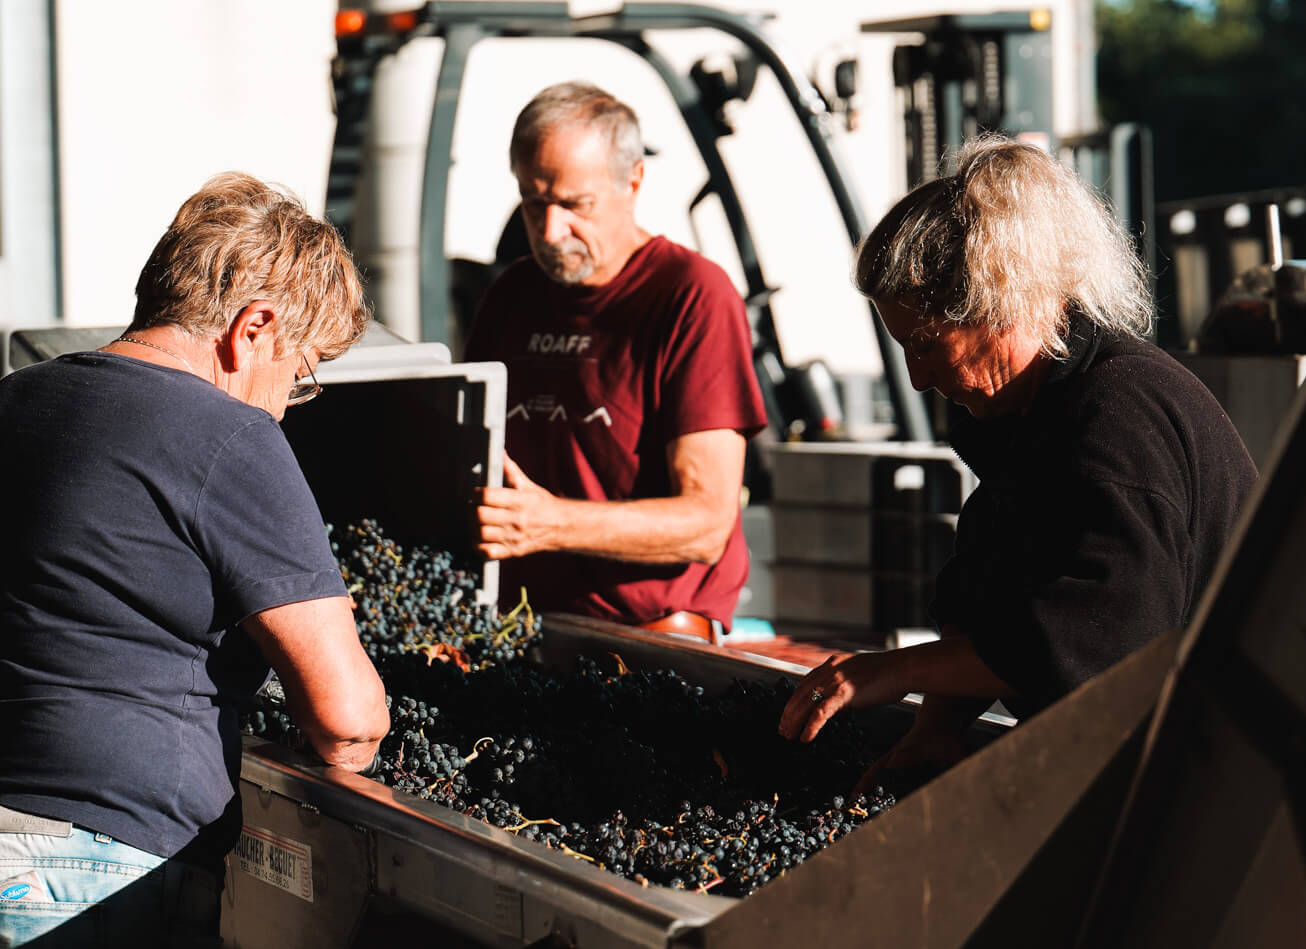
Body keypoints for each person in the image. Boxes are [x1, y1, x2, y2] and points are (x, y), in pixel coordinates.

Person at [0, 174, 390, 949]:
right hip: (93, 889)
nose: (293, 398)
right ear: (254, 326)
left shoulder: (18, 403)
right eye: (304, 367)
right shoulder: (226, 434)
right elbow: (347, 710)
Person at [779, 138, 1257, 785]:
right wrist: (937, 726)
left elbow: (1098, 640)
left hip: (1206, 778)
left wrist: (895, 671)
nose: (918, 380)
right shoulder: (1033, 412)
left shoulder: (1116, 419)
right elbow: (993, 594)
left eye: (926, 346)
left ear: (1004, 302)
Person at [468, 83, 766, 636]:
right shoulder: (510, 296)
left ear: (633, 181)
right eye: (534, 204)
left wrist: (552, 524)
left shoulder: (691, 294)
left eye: (574, 205)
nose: (551, 231)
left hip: (649, 647)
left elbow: (704, 524)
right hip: (519, 633)